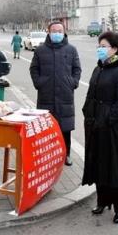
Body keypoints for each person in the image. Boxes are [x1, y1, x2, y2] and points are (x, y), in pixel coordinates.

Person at [82, 31, 118, 224]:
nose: (100, 49)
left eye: (103, 46)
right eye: (99, 46)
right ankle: (102, 200)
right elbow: (90, 94)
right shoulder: (99, 68)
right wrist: (87, 112)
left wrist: (108, 119)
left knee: (116, 166)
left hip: (113, 127)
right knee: (99, 163)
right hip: (95, 124)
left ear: (115, 49)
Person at [30, 21, 82, 166]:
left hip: (65, 95)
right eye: (54, 31)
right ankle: (47, 156)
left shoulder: (71, 50)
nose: (57, 33)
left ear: (64, 32)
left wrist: (73, 82)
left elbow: (77, 69)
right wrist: (39, 83)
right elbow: (34, 69)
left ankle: (66, 154)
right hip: (46, 95)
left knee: (65, 128)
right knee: (46, 128)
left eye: (59, 31)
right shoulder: (40, 50)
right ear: (49, 32)